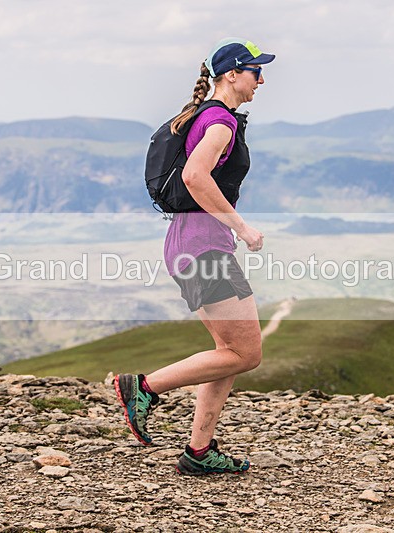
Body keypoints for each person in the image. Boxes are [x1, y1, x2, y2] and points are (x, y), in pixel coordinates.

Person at [114, 38, 275, 475]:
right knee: (247, 353)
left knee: (229, 350)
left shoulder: (209, 115)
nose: (261, 79)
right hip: (203, 248)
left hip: (192, 243)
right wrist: (242, 227)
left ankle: (199, 451)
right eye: (255, 71)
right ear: (232, 75)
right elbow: (194, 176)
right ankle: (143, 387)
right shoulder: (219, 121)